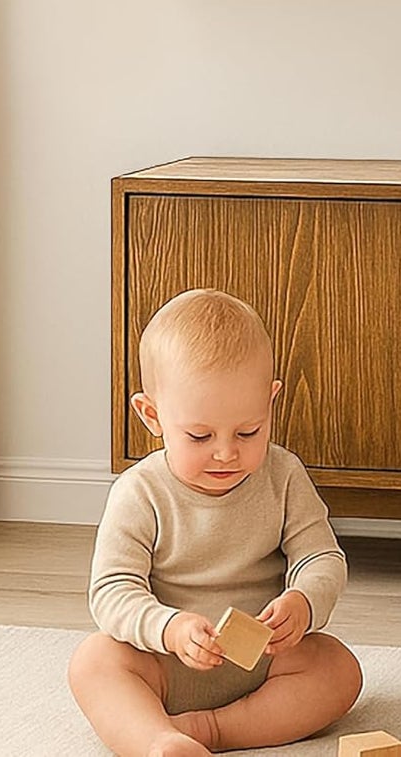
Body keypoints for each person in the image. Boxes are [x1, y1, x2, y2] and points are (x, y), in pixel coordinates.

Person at [68, 289, 362, 757]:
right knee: (94, 661)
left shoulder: (284, 476)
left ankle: (210, 730)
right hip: (163, 662)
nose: (226, 453)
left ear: (270, 402)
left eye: (249, 431)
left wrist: (303, 602)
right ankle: (158, 740)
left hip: (264, 661)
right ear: (152, 415)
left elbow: (321, 556)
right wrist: (168, 628)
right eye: (200, 436)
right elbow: (111, 591)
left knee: (339, 669)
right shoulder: (139, 491)